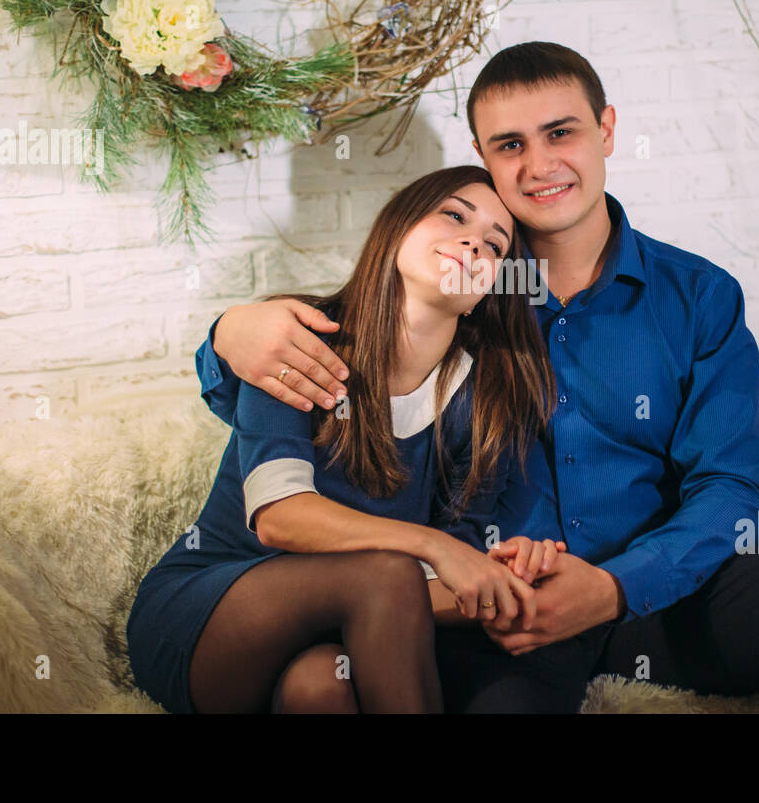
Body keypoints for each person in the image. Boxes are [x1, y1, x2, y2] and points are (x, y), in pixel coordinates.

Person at [200, 41, 759, 713]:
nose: (539, 165)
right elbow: (344, 357)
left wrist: (614, 586)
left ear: (606, 131)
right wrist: (227, 337)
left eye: (560, 133)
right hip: (500, 613)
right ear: (484, 159)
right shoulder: (459, 290)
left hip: (659, 596)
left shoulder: (698, 295)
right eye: (510, 146)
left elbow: (731, 486)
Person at [126, 165, 567, 714]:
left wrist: (502, 582)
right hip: (218, 615)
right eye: (453, 215)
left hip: (337, 640)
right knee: (387, 573)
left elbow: (441, 580)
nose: (473, 241)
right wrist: (435, 547)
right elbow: (280, 517)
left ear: (483, 294)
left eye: (494, 246)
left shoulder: (485, 398)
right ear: (397, 229)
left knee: (320, 688)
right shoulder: (299, 338)